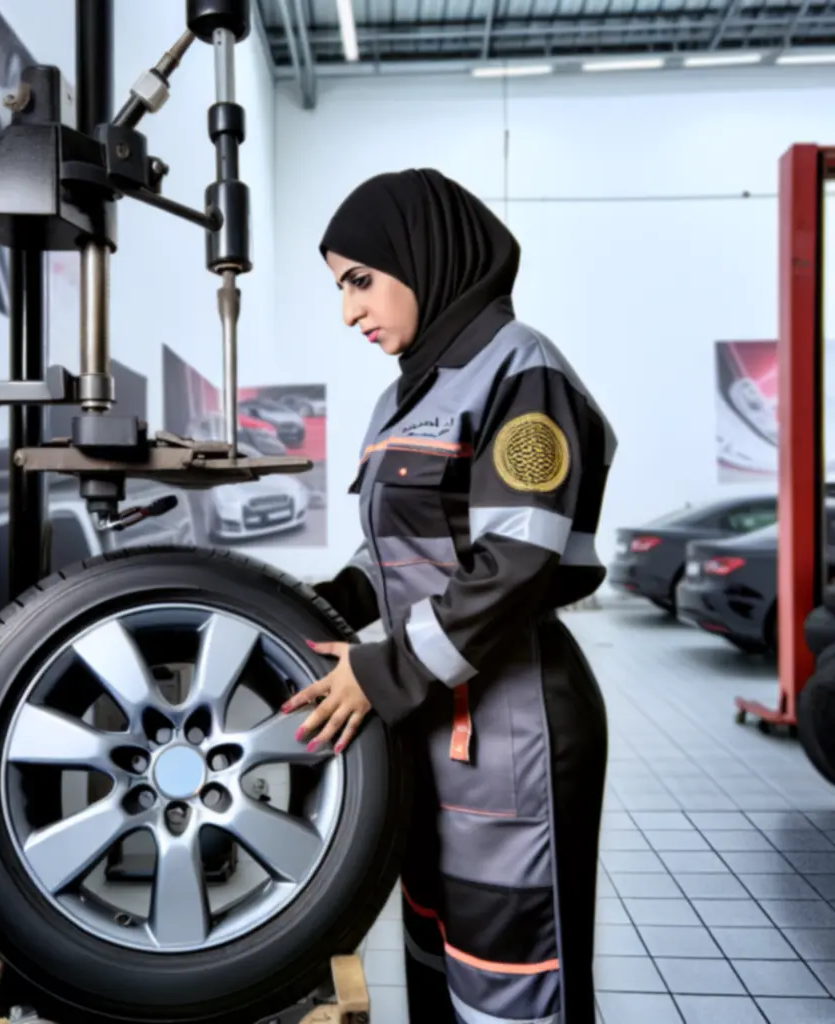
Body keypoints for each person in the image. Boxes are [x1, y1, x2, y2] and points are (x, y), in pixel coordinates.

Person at [281, 168, 615, 1024]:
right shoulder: (409, 394)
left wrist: (384, 669)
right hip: (426, 721)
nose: (349, 311)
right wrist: (307, 607)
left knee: (513, 980)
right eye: (338, 288)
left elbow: (517, 559)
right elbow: (393, 551)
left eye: (359, 280)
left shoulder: (520, 369)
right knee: (439, 951)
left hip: (515, 725)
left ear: (422, 256)